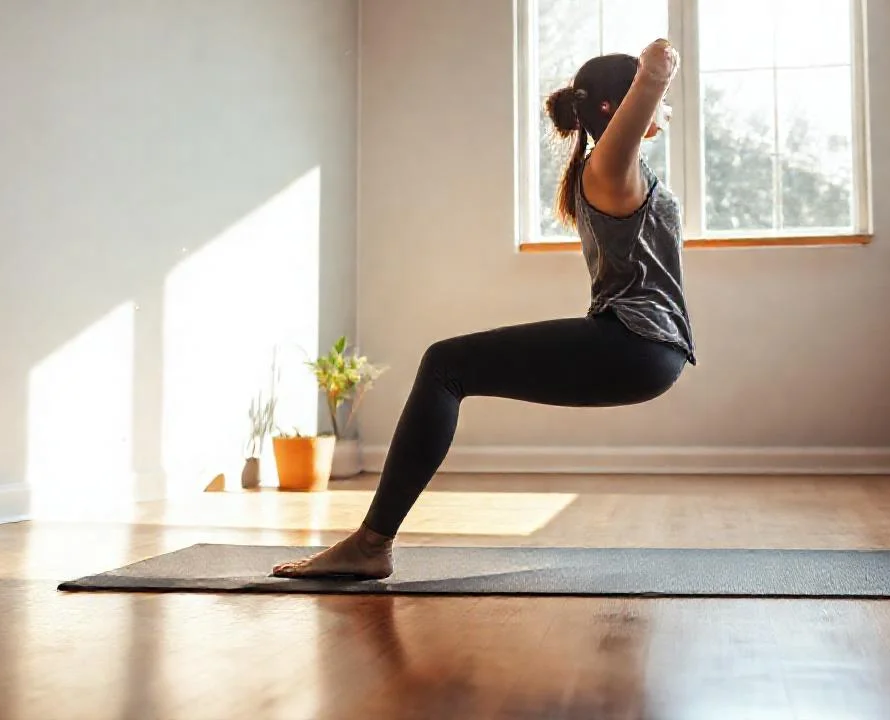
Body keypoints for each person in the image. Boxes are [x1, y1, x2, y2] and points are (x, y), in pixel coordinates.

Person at [272, 39, 696, 579]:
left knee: (445, 365)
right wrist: (655, 69)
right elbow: (651, 84)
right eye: (642, 101)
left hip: (638, 345)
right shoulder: (609, 168)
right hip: (642, 348)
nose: (661, 110)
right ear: (615, 109)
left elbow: (641, 100)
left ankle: (371, 543)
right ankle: (371, 542)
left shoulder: (614, 171)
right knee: (445, 365)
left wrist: (652, 79)